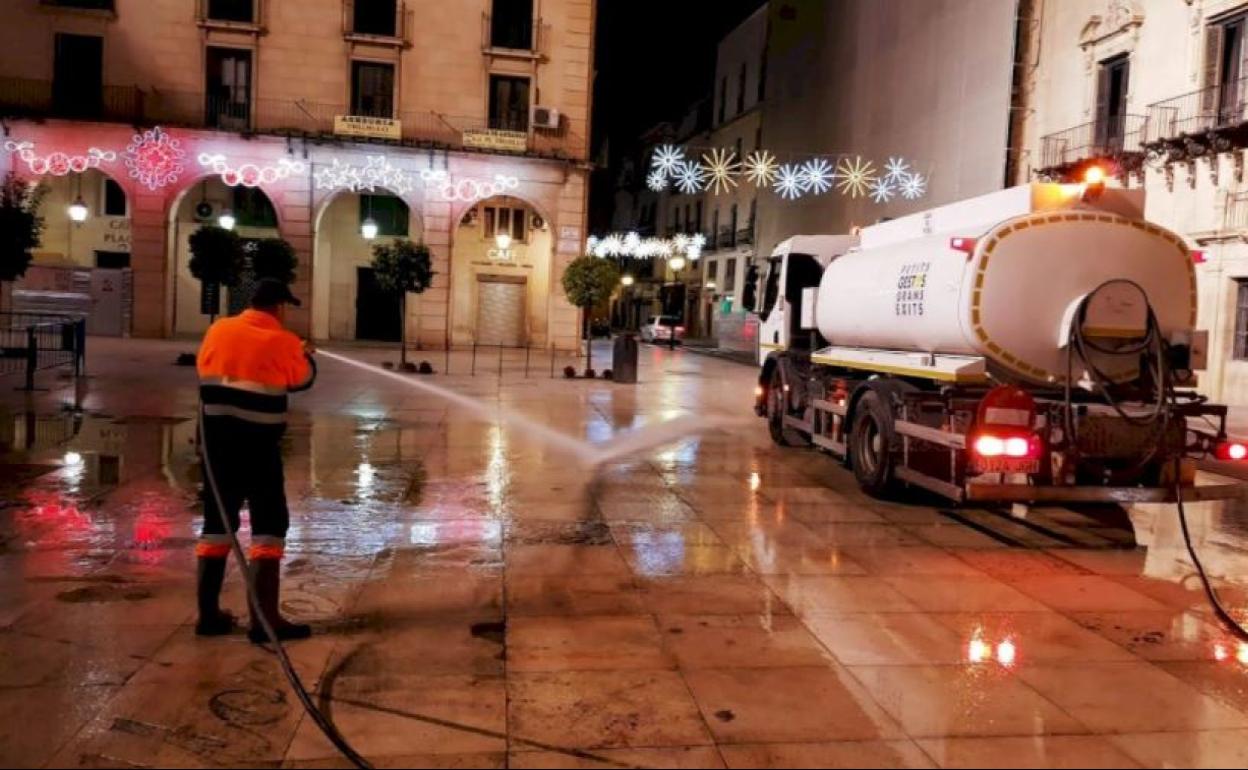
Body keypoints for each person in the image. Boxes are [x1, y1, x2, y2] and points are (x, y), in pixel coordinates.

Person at [194, 278, 316, 643]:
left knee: (217, 526)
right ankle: (265, 621)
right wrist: (305, 355)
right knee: (269, 526)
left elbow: (205, 370)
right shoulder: (284, 341)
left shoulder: (218, 330)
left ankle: (209, 616)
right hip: (259, 448)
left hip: (216, 447)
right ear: (278, 307)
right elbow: (301, 380)